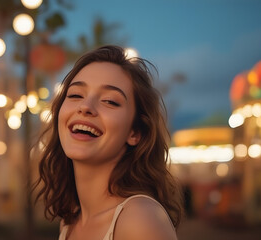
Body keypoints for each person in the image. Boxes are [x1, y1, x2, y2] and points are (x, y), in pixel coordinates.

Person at [34, 45, 183, 240]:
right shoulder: (69, 223)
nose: (85, 106)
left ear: (135, 132)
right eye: (75, 95)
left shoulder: (139, 219)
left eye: (110, 101)